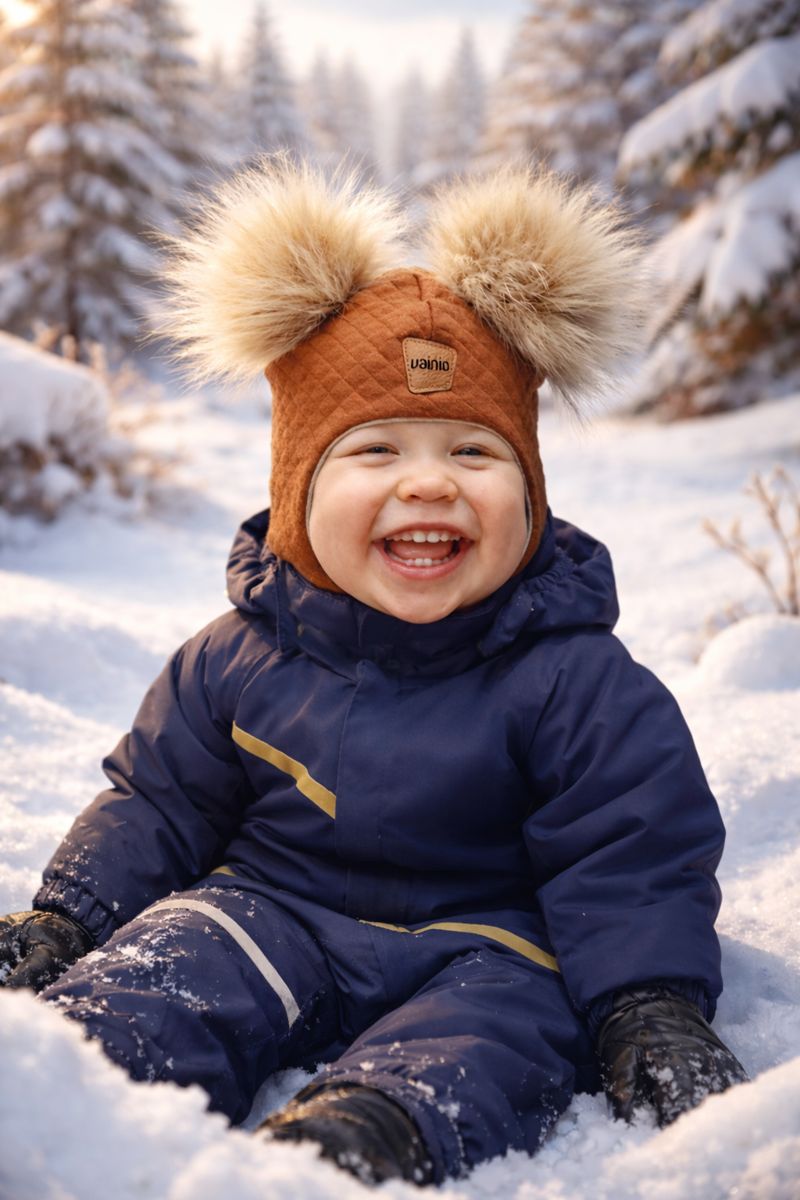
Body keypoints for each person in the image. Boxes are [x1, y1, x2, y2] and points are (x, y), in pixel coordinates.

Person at [0, 159, 747, 1186]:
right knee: (173, 958)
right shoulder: (237, 655)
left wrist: (647, 1000)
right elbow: (160, 803)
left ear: (530, 496)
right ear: (297, 494)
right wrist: (71, 913)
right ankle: (64, 1085)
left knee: (513, 1025)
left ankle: (370, 1129)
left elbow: (632, 847)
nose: (428, 481)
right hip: (272, 912)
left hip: (487, 943)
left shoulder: (573, 677)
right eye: (377, 451)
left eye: (474, 454)